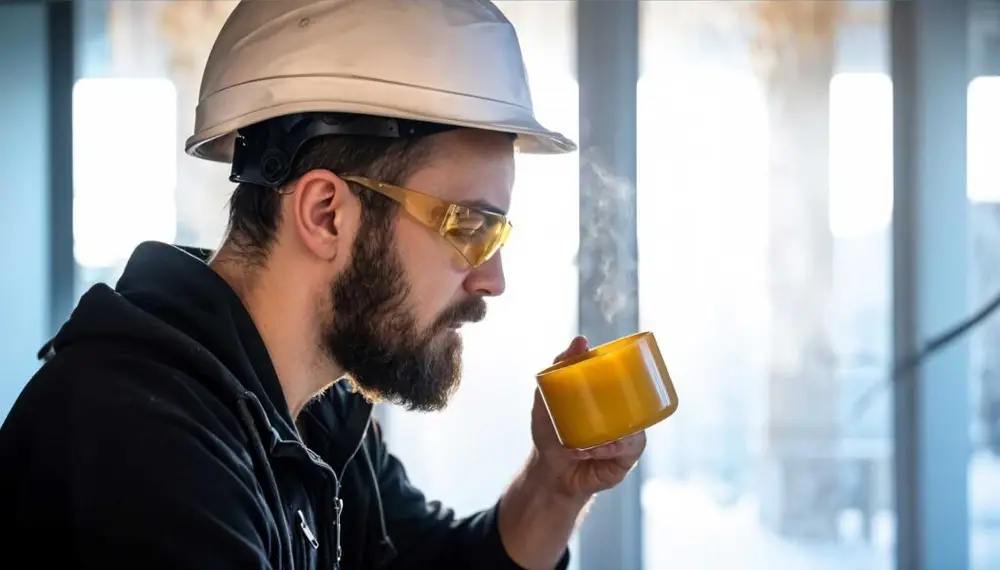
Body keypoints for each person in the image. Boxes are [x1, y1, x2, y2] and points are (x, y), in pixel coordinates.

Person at [0, 1, 646, 569]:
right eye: (468, 225)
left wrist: (556, 486)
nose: (491, 278)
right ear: (324, 214)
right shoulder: (135, 443)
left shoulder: (313, 412)